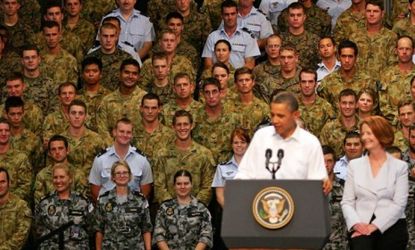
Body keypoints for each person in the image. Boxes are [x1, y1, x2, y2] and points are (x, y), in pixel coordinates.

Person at [234, 91, 331, 194]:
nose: (274, 120)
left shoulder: (310, 143)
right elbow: (245, 173)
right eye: (272, 115)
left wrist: (323, 184)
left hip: (298, 205)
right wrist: (235, 186)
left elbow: (317, 182)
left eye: (280, 116)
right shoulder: (261, 136)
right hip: (261, 203)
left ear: (296, 115)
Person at [341, 116, 409, 250]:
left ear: (382, 135)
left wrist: (374, 226)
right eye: (363, 133)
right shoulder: (354, 165)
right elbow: (347, 202)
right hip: (361, 225)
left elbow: (399, 204)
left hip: (392, 224)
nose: (364, 137)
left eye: (369, 133)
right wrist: (356, 224)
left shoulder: (400, 167)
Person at [89, 118, 153, 202]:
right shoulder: (100, 159)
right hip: (107, 210)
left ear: (132, 135)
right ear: (114, 132)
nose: (125, 135)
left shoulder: (141, 159)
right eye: (121, 131)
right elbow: (95, 191)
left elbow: (146, 191)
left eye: (128, 132)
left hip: (132, 211)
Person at [93, 161, 152, 249]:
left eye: (125, 172)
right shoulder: (103, 200)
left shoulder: (140, 200)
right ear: (113, 177)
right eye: (118, 173)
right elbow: (99, 230)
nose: (122, 175)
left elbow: (146, 229)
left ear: (130, 176)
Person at [35, 163, 91, 249]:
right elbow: (39, 231)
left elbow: (91, 228)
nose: (58, 181)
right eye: (55, 177)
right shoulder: (44, 203)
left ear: (70, 179)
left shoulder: (83, 202)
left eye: (62, 177)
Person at [153, 170, 213, 249]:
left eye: (186, 183)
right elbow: (158, 235)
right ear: (174, 186)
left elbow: (206, 236)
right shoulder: (164, 208)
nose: (182, 187)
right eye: (179, 184)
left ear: (191, 185)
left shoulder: (201, 209)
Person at [212, 128, 250, 208]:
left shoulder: (256, 167)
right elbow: (220, 196)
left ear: (248, 144)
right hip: (230, 211)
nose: (239, 145)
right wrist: (231, 211)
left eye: (242, 142)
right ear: (231, 145)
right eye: (236, 142)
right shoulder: (222, 168)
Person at [0, 167, 31, 249]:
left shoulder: (21, 206)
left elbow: (21, 236)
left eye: (2, 182)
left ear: (9, 183)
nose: (0, 185)